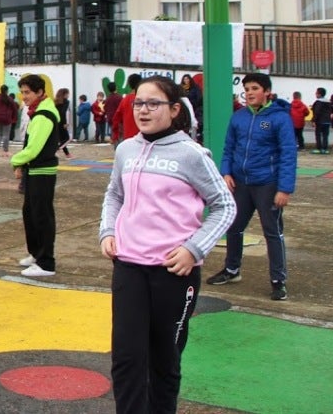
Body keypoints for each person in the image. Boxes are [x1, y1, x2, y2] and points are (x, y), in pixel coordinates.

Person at [100, 75, 235, 414]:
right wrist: (107, 231)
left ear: (174, 109)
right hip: (128, 267)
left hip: (172, 273)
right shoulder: (126, 149)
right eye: (139, 103)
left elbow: (224, 205)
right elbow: (115, 194)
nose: (143, 111)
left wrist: (194, 249)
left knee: (164, 362)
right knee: (127, 360)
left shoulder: (192, 154)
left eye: (153, 104)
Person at [207, 73, 297, 301]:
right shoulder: (239, 117)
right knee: (234, 226)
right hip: (241, 183)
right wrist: (226, 172)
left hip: (267, 184)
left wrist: (284, 188)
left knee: (272, 231)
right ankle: (232, 270)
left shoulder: (279, 118)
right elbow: (228, 147)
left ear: (267, 92)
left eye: (254, 88)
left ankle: (278, 280)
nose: (249, 93)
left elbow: (288, 154)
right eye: (246, 89)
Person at [11, 74, 59, 278]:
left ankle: (46, 262)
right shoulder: (38, 111)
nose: (24, 96)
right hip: (35, 170)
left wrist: (15, 160)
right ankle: (36, 254)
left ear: (40, 92)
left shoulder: (43, 115)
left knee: (41, 217)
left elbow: (33, 149)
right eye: (22, 92)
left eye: (27, 92)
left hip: (42, 171)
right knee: (30, 214)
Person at [111, 75, 143, 145]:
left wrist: (115, 135)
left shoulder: (125, 100)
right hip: (144, 139)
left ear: (129, 85)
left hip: (129, 139)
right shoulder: (146, 100)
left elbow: (116, 119)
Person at [0, 85, 15, 158]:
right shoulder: (10, 99)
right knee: (6, 135)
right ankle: (5, 151)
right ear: (7, 91)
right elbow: (14, 109)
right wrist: (12, 118)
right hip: (7, 118)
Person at [310, 87, 331, 154]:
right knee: (325, 135)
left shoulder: (319, 102)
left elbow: (317, 112)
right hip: (327, 121)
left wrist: (313, 121)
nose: (315, 94)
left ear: (320, 94)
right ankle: (325, 149)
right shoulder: (328, 102)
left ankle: (319, 148)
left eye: (316, 93)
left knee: (318, 135)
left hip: (320, 121)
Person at [55, 88, 73, 158]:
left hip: (56, 122)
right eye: (68, 94)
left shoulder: (56, 101)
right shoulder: (66, 102)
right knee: (67, 138)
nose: (68, 95)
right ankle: (56, 149)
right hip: (62, 123)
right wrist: (65, 123)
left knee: (62, 139)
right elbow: (63, 112)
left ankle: (67, 154)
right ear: (65, 94)